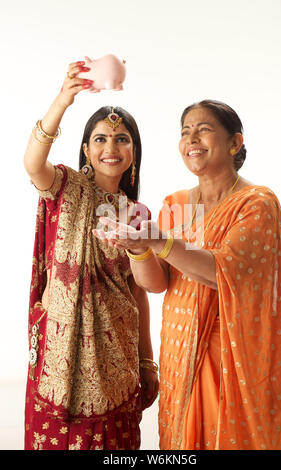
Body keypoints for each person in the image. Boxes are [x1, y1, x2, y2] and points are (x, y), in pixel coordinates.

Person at [94, 99, 281, 450]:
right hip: (179, 353)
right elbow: (156, 282)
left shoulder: (256, 203)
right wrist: (136, 246)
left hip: (231, 357)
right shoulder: (176, 203)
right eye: (185, 132)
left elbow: (222, 270)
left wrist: (156, 238)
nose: (191, 139)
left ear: (235, 143)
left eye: (203, 130)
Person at [23, 60, 158, 450]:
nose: (110, 148)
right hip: (58, 357)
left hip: (115, 357)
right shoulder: (65, 187)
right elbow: (33, 163)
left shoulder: (138, 214)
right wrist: (63, 100)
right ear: (85, 149)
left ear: (134, 151)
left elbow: (137, 293)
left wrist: (147, 361)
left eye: (121, 139)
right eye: (100, 139)